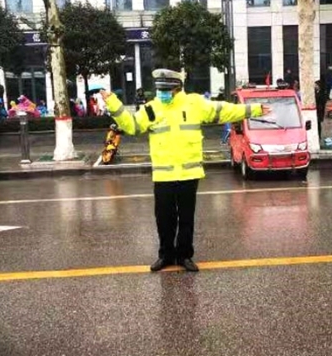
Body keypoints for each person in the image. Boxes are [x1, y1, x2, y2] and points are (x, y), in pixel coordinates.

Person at [101, 68, 270, 272]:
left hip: (189, 174)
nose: (161, 93)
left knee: (186, 219)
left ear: (177, 88)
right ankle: (166, 256)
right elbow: (131, 126)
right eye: (159, 89)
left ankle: (184, 256)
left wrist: (255, 109)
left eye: (166, 90)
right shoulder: (152, 108)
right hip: (164, 175)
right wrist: (112, 102)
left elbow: (225, 110)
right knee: (164, 219)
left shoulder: (194, 104)